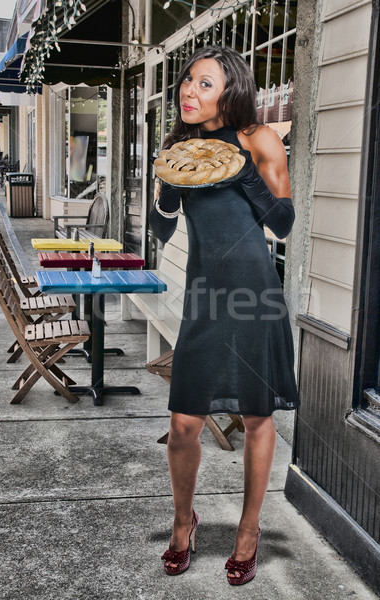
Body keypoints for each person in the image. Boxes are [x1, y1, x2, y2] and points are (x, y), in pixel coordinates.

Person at [149, 45, 300, 586]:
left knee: (259, 418)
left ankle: (248, 531)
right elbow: (162, 230)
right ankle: (183, 522)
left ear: (230, 90)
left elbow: (282, 222)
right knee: (183, 423)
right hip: (206, 298)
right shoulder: (179, 149)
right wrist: (170, 185)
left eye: (204, 83)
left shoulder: (259, 139)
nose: (189, 91)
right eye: (187, 80)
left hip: (255, 296)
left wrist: (240, 174)